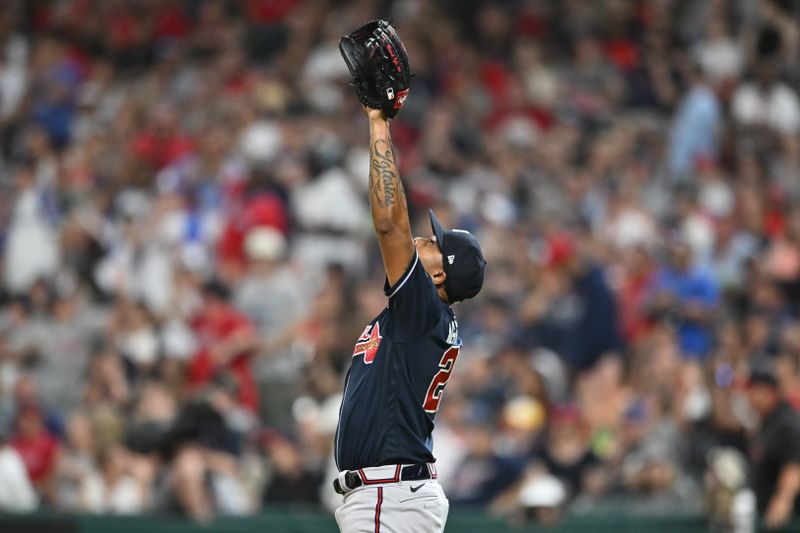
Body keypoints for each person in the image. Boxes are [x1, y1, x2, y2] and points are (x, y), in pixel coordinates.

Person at [332, 105, 486, 533]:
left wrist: (378, 122)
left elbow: (388, 224)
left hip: (390, 495)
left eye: (435, 244)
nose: (423, 237)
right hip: (390, 494)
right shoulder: (423, 317)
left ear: (439, 275)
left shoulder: (423, 310)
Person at [746, 368, 800, 531]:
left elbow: (795, 464)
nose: (749, 397)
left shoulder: (785, 423)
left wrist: (783, 500)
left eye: (754, 391)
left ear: (769, 392)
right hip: (765, 516)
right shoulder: (766, 421)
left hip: (788, 521)